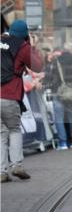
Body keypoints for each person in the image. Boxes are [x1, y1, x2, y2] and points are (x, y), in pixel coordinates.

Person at [1, 20, 44, 182]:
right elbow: (38, 66)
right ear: (24, 34)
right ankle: (17, 165)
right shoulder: (22, 46)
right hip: (10, 95)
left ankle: (2, 172)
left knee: (1, 133)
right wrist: (32, 47)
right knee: (14, 129)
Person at [44, 45, 72, 150]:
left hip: (58, 92)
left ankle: (63, 143)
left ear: (62, 51)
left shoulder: (56, 62)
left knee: (59, 119)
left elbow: (51, 77)